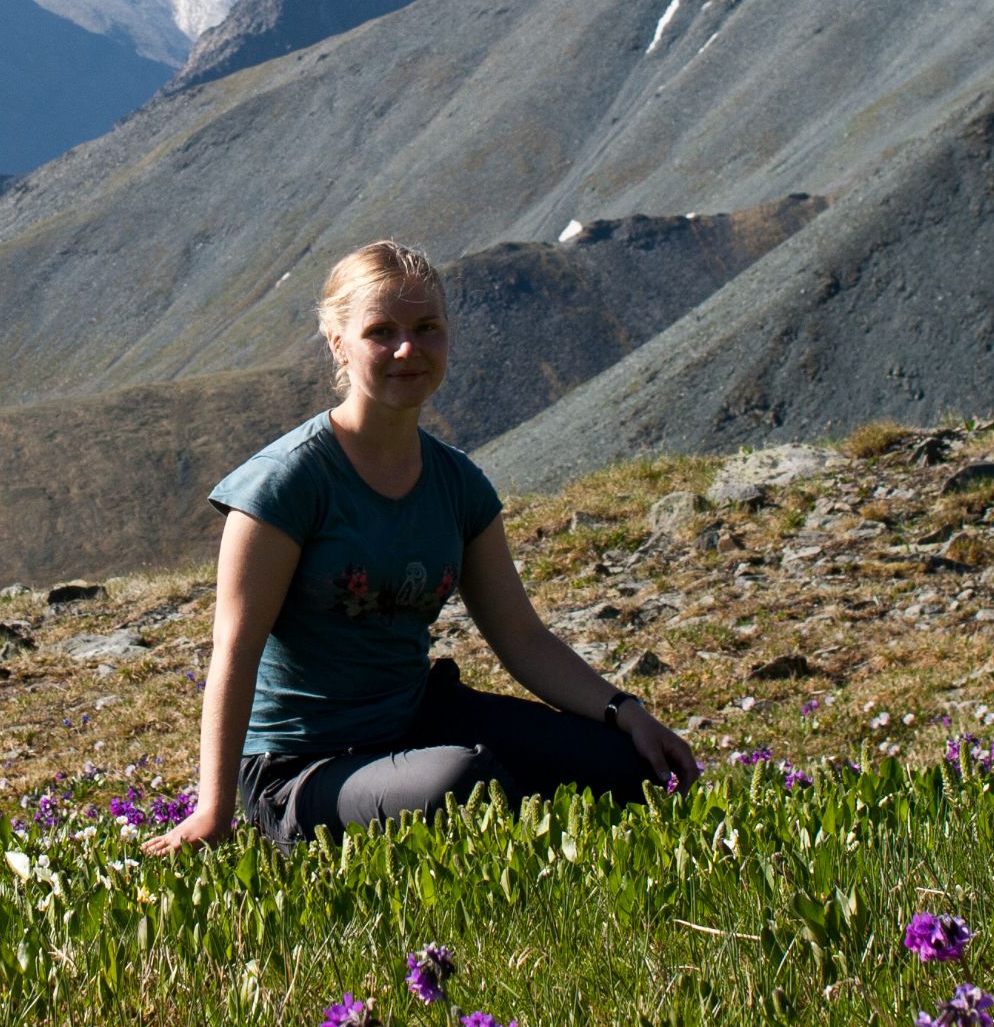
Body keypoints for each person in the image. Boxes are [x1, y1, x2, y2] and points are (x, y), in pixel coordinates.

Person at [145, 240, 699, 854]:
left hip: (416, 722)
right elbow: (236, 649)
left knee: (628, 767)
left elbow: (522, 638)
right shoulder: (286, 483)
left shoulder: (457, 483)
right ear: (338, 343)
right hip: (300, 764)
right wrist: (213, 811)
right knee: (461, 782)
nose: (407, 349)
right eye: (381, 331)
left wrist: (626, 712)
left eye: (426, 328)